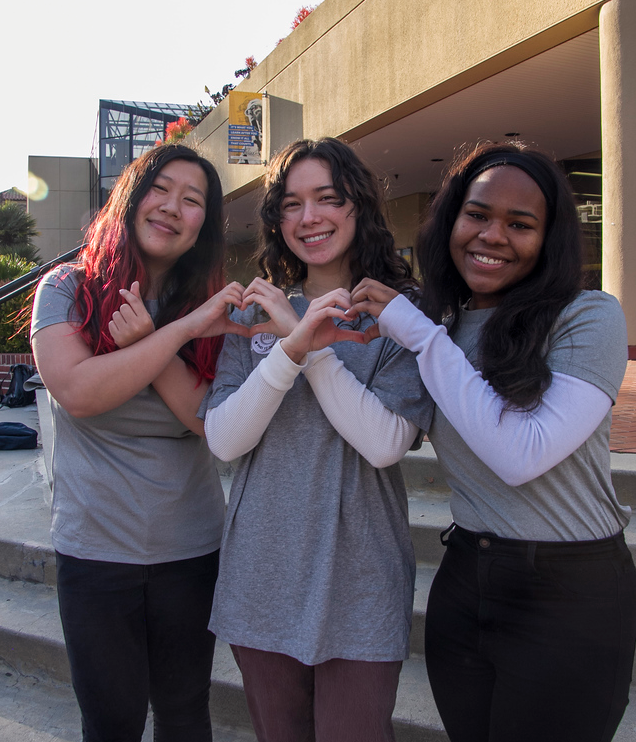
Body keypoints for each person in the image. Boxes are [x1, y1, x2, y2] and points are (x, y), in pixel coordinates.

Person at [349, 141, 636, 742]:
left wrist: (423, 339)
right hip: (466, 578)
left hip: (569, 590)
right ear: (452, 219)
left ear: (548, 238)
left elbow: (522, 453)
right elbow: (383, 434)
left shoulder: (590, 316)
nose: (493, 235)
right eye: (477, 214)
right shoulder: (440, 322)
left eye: (520, 224)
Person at [200, 137, 433, 742]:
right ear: (277, 218)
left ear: (358, 205)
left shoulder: (397, 312)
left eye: (328, 199)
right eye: (293, 203)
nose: (310, 218)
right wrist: (291, 343)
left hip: (361, 577)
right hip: (262, 574)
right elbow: (224, 438)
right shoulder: (256, 310)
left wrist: (308, 347)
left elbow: (384, 442)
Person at [30, 143, 249, 742]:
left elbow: (213, 423)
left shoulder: (214, 307)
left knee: (184, 715)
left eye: (193, 199)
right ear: (130, 195)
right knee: (111, 723)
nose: (173, 207)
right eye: (161, 189)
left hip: (192, 551)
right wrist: (179, 332)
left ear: (206, 222)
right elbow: (77, 390)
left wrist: (153, 341)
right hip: (95, 555)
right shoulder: (67, 289)